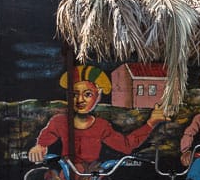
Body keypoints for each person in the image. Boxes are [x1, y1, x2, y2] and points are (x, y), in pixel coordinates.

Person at [28, 65, 166, 168]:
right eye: (75, 94)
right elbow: (45, 139)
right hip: (68, 176)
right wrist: (39, 147)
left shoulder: (101, 126)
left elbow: (126, 145)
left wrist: (151, 122)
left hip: (92, 174)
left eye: (88, 94)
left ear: (98, 96)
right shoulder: (59, 122)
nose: (80, 100)